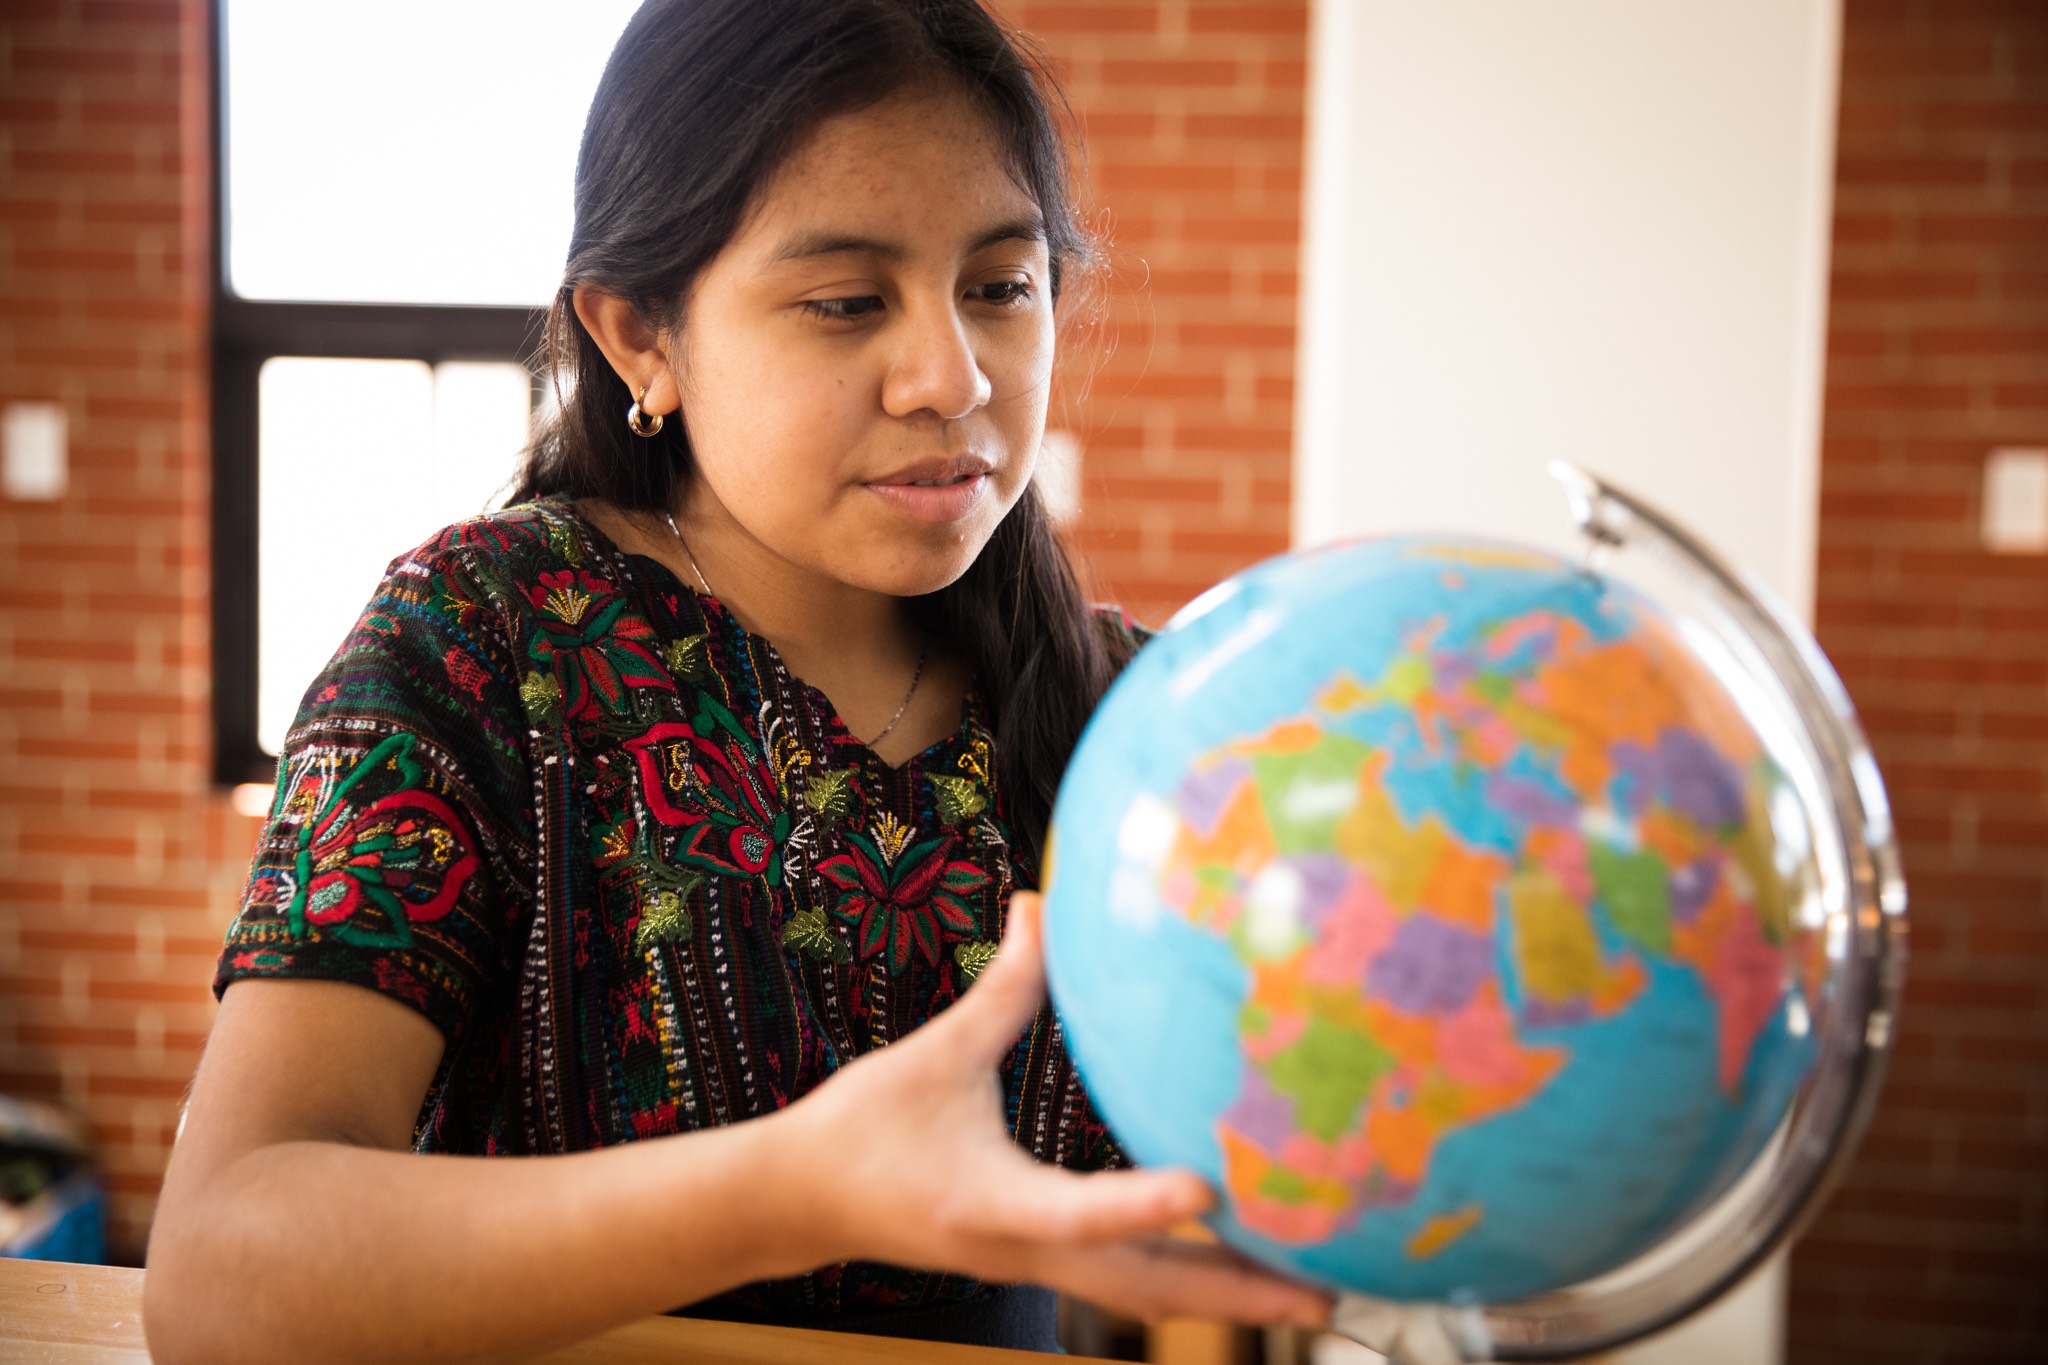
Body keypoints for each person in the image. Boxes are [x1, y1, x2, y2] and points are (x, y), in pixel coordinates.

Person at [142, 1, 1331, 1361]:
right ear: (640, 331)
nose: (952, 377)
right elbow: (220, 1278)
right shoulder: (478, 640)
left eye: (1001, 285)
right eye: (845, 302)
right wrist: (796, 1186)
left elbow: (1202, 1277)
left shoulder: (1150, 713)